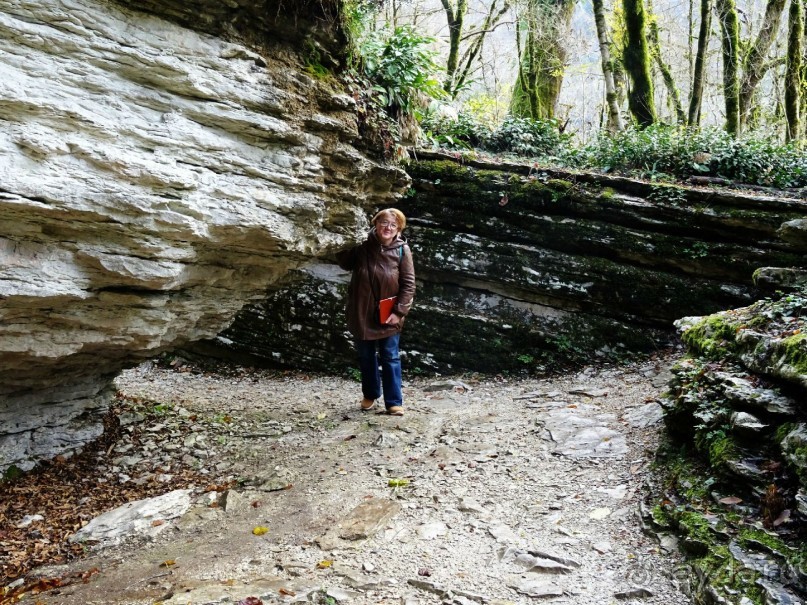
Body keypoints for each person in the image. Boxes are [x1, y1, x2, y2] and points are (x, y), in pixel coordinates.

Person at [337, 208, 415, 416]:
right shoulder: (362, 244)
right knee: (366, 355)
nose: (388, 228)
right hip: (361, 311)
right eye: (384, 223)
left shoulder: (402, 250)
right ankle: (370, 395)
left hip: (389, 312)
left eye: (393, 225)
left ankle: (393, 402)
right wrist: (344, 238)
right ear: (375, 224)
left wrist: (399, 312)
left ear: (398, 229)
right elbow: (344, 263)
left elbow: (408, 285)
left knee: (390, 356)